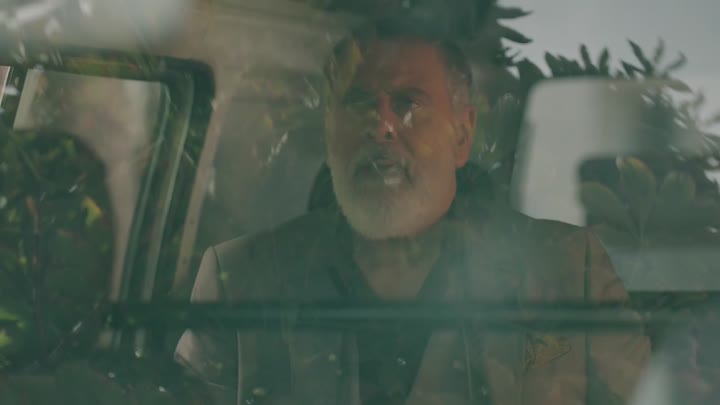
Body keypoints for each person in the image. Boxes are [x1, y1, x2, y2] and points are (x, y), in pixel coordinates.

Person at [175, 17, 651, 405]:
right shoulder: (240, 281)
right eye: (359, 103)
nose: (381, 126)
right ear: (328, 132)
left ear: (462, 133)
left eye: (408, 104)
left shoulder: (568, 271)